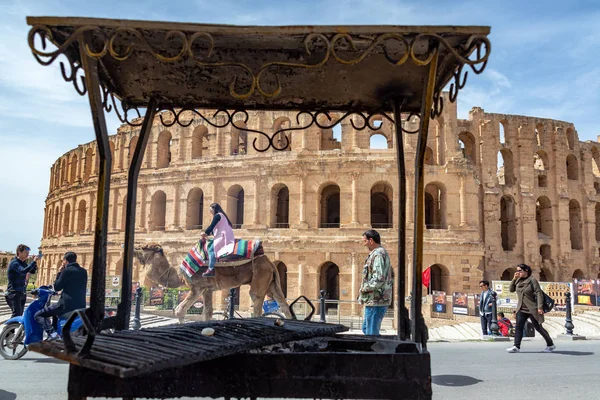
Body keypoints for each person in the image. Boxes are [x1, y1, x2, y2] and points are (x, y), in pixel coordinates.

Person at [34, 251, 87, 340]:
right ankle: (56, 332)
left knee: (38, 315)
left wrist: (59, 273)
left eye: (63, 261)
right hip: (81, 305)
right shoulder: (83, 271)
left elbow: (57, 287)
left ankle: (52, 334)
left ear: (65, 261)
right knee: (54, 313)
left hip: (66, 305)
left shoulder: (66, 270)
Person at [506, 264, 555, 353]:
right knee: (518, 327)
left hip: (532, 308)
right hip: (521, 308)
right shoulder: (518, 281)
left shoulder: (532, 280)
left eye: (520, 270)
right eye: (517, 270)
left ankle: (550, 344)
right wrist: (514, 279)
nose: (518, 272)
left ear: (526, 271)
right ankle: (516, 346)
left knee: (538, 328)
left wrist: (540, 307)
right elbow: (511, 289)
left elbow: (538, 293)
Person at [358, 229, 393, 335]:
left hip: (376, 300)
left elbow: (378, 278)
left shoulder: (378, 254)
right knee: (366, 329)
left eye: (365, 241)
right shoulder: (378, 253)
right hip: (375, 300)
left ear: (371, 240)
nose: (364, 244)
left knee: (371, 334)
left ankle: (378, 351)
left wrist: (364, 289)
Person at [200, 203, 235, 277]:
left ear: (214, 209)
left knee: (211, 250)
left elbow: (211, 226)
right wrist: (208, 234)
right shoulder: (222, 216)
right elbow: (214, 230)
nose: (211, 212)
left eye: (211, 210)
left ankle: (211, 269)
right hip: (224, 236)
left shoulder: (217, 216)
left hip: (222, 237)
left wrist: (205, 233)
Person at [6, 244, 39, 318]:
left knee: (19, 314)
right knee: (16, 314)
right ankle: (8, 329)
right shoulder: (14, 263)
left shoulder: (23, 263)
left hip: (21, 292)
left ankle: (11, 329)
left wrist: (35, 263)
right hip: (14, 292)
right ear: (19, 252)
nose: (27, 254)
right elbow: (23, 271)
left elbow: (32, 271)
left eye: (28, 253)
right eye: (25, 252)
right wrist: (33, 262)